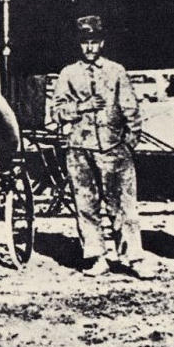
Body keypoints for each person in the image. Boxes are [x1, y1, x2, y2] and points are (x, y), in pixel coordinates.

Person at [50, 15, 155, 279]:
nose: (89, 48)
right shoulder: (68, 74)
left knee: (123, 206)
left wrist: (128, 144)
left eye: (94, 42)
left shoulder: (116, 71)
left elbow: (131, 110)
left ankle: (133, 257)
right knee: (86, 205)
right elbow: (57, 112)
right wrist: (81, 107)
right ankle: (96, 257)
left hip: (113, 148)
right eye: (84, 42)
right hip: (80, 148)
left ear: (102, 43)